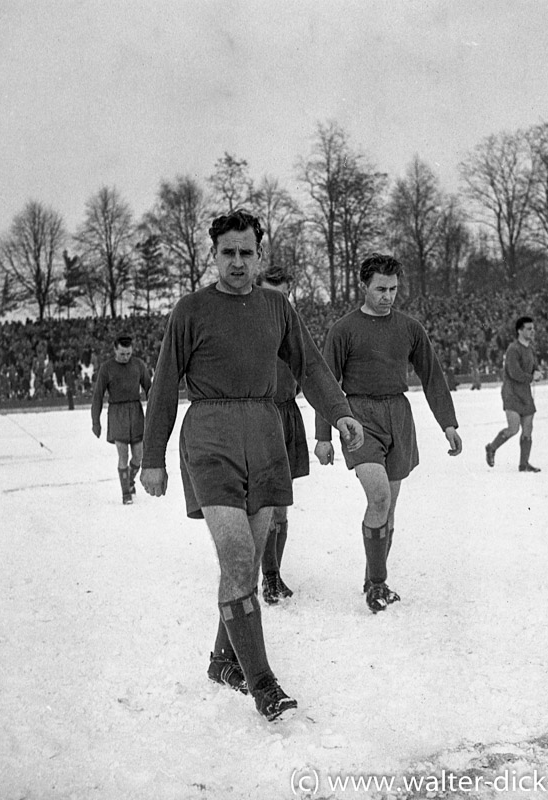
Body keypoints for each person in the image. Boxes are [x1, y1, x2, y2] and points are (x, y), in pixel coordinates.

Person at [140, 210, 364, 723]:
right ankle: (262, 681)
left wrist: (341, 413)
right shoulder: (190, 310)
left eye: (246, 252)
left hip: (266, 436)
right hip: (211, 436)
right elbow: (163, 385)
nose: (237, 262)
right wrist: (152, 458)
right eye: (228, 253)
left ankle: (224, 659)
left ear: (259, 255)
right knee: (238, 556)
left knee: (249, 555)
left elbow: (310, 365)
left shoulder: (277, 308)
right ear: (213, 255)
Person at [314, 253, 462, 614]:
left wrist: (448, 422)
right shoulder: (343, 329)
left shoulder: (410, 328)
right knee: (378, 497)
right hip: (359, 417)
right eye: (380, 288)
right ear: (364, 286)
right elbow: (326, 384)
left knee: (389, 508)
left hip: (398, 413)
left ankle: (372, 576)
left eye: (394, 289)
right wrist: (323, 435)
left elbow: (432, 376)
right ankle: (377, 585)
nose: (388, 296)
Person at [254, 265, 310, 605]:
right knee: (265, 505)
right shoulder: (247, 326)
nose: (280, 303)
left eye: (285, 297)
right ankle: (268, 576)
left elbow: (311, 369)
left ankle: (274, 574)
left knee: (282, 507)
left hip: (288, 415)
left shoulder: (294, 328)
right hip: (260, 417)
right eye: (273, 296)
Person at [91, 334, 151, 504]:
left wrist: (154, 413)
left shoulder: (139, 365)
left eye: (128, 354)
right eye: (122, 354)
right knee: (123, 455)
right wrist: (96, 421)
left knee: (138, 455)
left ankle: (130, 481)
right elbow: (97, 396)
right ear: (115, 350)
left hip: (135, 411)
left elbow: (149, 389)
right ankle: (126, 492)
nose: (125, 357)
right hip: (117, 413)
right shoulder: (107, 368)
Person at [485, 316, 543, 472]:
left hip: (525, 393)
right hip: (511, 393)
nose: (532, 331)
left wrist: (537, 372)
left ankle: (524, 464)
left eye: (533, 328)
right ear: (520, 331)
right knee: (513, 428)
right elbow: (514, 372)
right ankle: (491, 447)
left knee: (528, 429)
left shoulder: (530, 349)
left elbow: (533, 367)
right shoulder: (513, 349)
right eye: (529, 329)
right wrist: (531, 377)